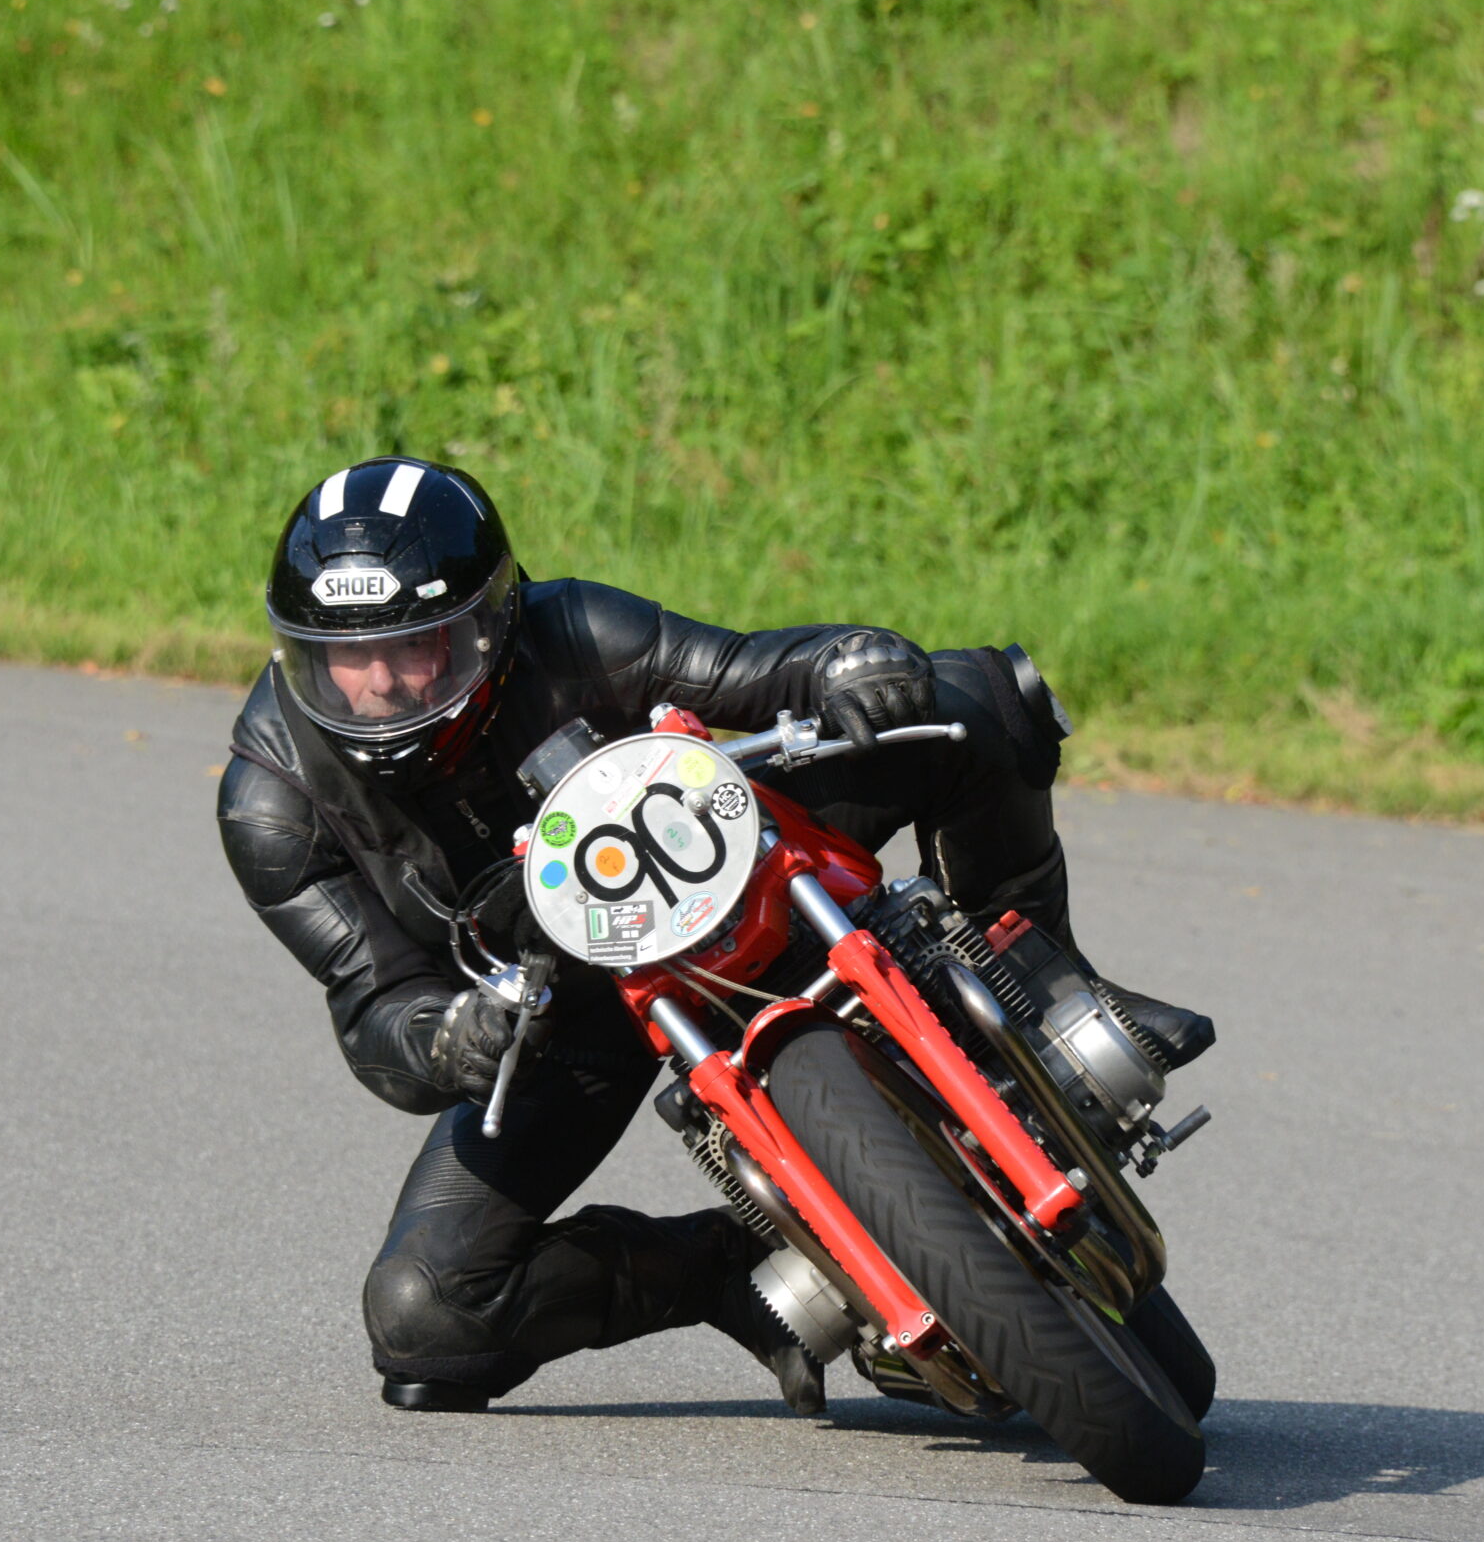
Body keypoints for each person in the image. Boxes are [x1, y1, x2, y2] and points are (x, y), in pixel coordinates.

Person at [216, 456, 1213, 1415]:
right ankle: (729, 1268)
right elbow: (373, 1006)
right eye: (344, 656)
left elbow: (750, 669)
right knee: (424, 1315)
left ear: (490, 626)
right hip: (557, 1016)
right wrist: (445, 1039)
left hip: (724, 874)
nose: (381, 683)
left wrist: (852, 662)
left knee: (974, 702)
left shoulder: (573, 631)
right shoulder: (272, 804)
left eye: (416, 645)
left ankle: (1049, 987)